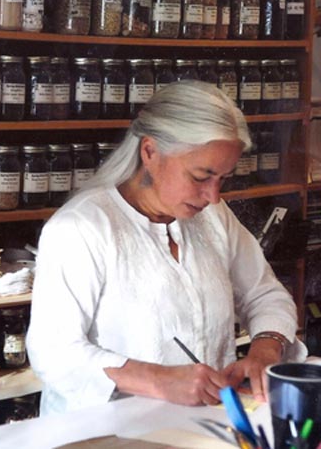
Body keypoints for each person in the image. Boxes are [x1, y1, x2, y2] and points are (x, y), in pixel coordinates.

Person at [26, 80, 306, 415]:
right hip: (107, 431)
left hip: (204, 424)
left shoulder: (214, 217)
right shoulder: (82, 227)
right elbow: (53, 351)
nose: (214, 196)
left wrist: (265, 349)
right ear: (150, 152)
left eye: (224, 179)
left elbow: (266, 295)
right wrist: (158, 379)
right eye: (201, 176)